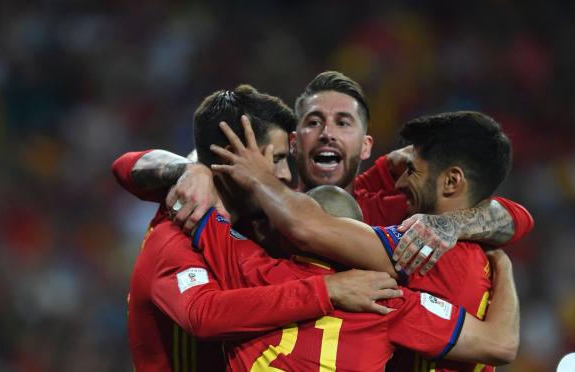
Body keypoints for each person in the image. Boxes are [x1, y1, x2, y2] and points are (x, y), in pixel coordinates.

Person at [192, 115, 519, 371]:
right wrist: (503, 264)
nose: (400, 181)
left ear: (452, 180)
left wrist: (218, 173)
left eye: (411, 171)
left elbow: (308, 225)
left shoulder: (420, 254)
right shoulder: (397, 295)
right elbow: (502, 343)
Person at [112, 71, 533, 266]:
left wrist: (453, 224)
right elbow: (128, 166)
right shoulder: (253, 198)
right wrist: (191, 170)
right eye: (314, 122)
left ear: (366, 147)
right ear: (294, 143)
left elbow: (515, 217)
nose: (327, 133)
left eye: (343, 123)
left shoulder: (385, 202)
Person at [122, 85, 402, 371]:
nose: (283, 174)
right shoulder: (175, 233)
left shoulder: (257, 221)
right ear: (235, 157)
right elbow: (202, 314)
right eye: (277, 159)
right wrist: (327, 290)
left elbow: (335, 206)